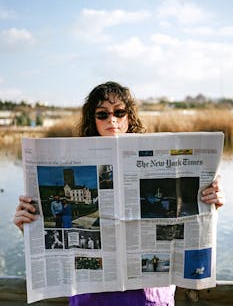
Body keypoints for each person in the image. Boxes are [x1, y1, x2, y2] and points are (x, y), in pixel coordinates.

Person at [13, 81, 225, 306]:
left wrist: (211, 200)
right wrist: (28, 224)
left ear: (129, 116)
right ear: (92, 119)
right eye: (102, 114)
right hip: (91, 299)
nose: (111, 120)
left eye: (119, 112)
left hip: (148, 298)